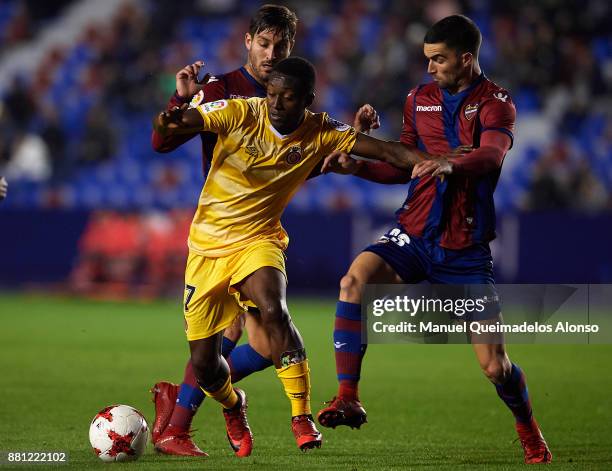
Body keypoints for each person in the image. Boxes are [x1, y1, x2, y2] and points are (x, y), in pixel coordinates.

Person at [152, 56, 435, 457]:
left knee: (274, 307)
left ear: (307, 99)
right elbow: (170, 129)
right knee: (205, 364)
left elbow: (388, 152)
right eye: (271, 94)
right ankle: (234, 405)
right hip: (207, 247)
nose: (276, 103)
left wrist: (435, 161)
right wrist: (178, 104)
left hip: (258, 240)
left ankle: (300, 416)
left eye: (287, 97)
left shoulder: (320, 130)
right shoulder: (239, 111)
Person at [316, 15, 552, 465]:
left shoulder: (496, 103)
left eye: (439, 60)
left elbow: (491, 154)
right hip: (414, 232)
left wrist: (448, 164)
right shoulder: (417, 99)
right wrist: (359, 167)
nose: (430, 69)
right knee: (354, 283)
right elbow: (405, 164)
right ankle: (348, 396)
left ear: (465, 59)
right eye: (427, 59)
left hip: (464, 249)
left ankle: (528, 426)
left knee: (494, 366)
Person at [149, 4, 299, 457]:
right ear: (248, 41)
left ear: (291, 47)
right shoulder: (222, 88)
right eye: (264, 43)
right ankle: (177, 421)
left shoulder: (292, 92)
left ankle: (177, 408)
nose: (271, 53)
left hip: (260, 229)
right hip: (222, 233)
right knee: (242, 338)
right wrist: (181, 99)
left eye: (281, 45)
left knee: (265, 345)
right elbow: (162, 141)